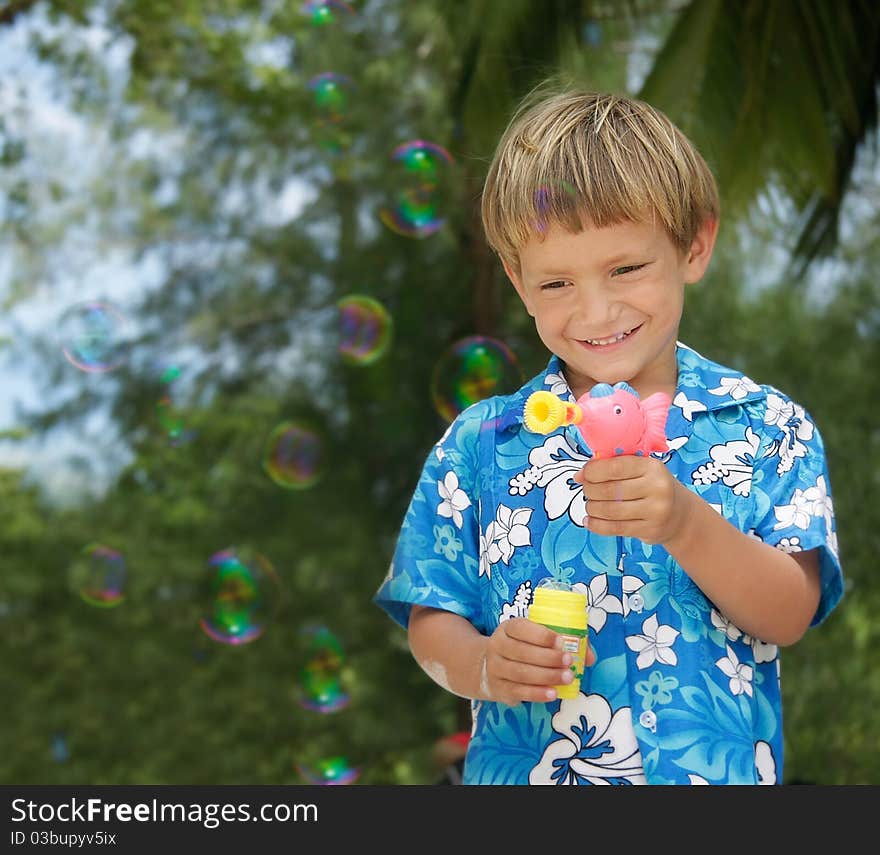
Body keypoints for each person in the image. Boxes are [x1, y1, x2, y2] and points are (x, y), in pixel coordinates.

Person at [374, 89, 844, 785]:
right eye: (557, 281)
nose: (596, 309)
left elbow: (789, 613)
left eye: (626, 268)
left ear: (695, 244)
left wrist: (686, 522)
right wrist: (483, 665)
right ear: (518, 280)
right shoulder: (481, 444)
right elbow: (431, 618)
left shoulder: (766, 425)